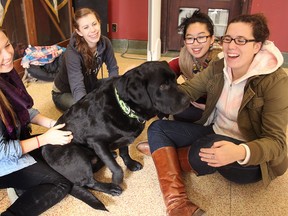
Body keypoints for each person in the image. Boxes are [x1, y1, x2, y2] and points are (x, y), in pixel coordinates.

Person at [147, 13, 288, 216]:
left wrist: (240, 152)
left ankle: (161, 152)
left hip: (251, 156)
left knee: (203, 148)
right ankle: (178, 205)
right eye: (228, 39)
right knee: (157, 127)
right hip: (214, 131)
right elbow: (186, 91)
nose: (231, 46)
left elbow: (277, 143)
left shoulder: (275, 81)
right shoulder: (219, 65)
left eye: (241, 40)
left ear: (257, 46)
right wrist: (147, 94)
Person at [0, 30, 74, 215]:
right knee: (60, 183)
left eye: (7, 45)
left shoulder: (7, 76)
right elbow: (3, 152)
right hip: (3, 156)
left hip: (13, 142)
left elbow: (24, 111)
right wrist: (44, 139)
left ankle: (21, 181)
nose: (8, 55)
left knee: (59, 148)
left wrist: (52, 124)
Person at [136, 10, 221, 155]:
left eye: (201, 38)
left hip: (216, 113)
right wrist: (137, 74)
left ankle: (170, 144)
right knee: (161, 99)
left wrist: (208, 107)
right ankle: (175, 139)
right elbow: (161, 74)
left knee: (180, 110)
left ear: (212, 39)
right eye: (190, 38)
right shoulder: (185, 58)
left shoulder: (220, 60)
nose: (195, 44)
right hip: (194, 102)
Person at [52, 8, 119, 112]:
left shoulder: (105, 43)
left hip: (90, 85)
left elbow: (113, 69)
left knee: (121, 86)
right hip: (64, 92)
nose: (93, 30)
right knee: (91, 109)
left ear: (99, 23)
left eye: (94, 24)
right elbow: (77, 87)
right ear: (79, 31)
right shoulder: (71, 54)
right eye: (86, 27)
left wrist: (115, 93)